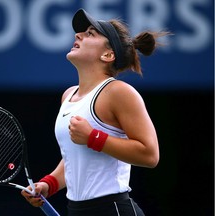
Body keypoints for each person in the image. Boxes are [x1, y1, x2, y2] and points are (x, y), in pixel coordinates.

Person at [22, 8, 169, 216]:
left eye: (90, 33)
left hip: (114, 209)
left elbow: (150, 154)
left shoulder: (118, 92)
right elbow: (76, 158)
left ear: (108, 55)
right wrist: (50, 184)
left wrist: (93, 137)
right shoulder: (68, 95)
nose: (78, 35)